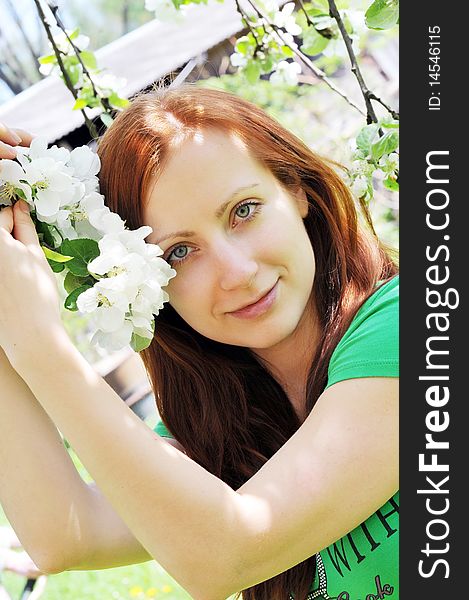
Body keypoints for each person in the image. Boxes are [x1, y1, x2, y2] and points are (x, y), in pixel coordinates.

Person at [0, 86, 398, 600]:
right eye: (181, 251)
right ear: (148, 284)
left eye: (245, 210)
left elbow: (228, 553)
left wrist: (43, 346)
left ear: (295, 189)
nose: (238, 272)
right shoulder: (222, 424)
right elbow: (65, 534)